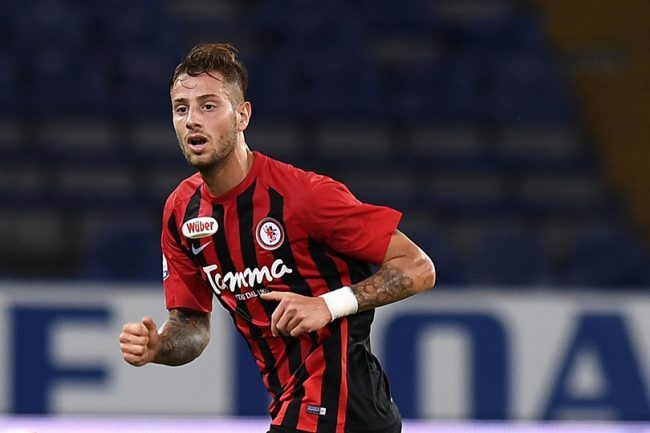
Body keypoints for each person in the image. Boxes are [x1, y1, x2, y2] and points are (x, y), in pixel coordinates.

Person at [119, 43, 435, 433]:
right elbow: (192, 325)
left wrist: (327, 305)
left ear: (242, 115)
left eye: (208, 106)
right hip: (298, 407)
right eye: (181, 109)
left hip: (343, 409)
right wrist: (158, 348)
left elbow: (418, 267)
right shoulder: (181, 212)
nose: (192, 121)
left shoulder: (304, 196)